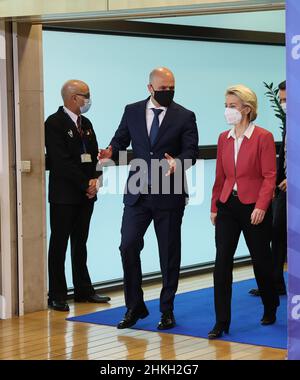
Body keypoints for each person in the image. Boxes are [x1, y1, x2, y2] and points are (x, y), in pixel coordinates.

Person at [98, 67, 199, 330]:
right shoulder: (132, 110)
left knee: (168, 254)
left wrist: (178, 163)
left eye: (172, 88)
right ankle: (135, 306)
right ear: (150, 88)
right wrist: (109, 153)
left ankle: (167, 310)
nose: (168, 92)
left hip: (169, 194)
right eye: (163, 88)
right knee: (127, 245)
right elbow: (119, 142)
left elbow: (191, 151)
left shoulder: (185, 116)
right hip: (138, 193)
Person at [209, 84, 280, 339]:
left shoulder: (263, 137)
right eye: (226, 106)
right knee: (222, 263)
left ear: (247, 109)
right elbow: (220, 176)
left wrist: (262, 206)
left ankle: (270, 305)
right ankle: (221, 321)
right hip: (228, 205)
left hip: (253, 206)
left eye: (233, 106)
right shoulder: (223, 138)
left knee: (261, 261)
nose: (228, 111)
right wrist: (215, 206)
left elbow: (269, 176)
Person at [45, 79, 111, 312]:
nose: (88, 99)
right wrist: (85, 183)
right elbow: (61, 162)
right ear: (73, 98)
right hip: (64, 195)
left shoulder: (87, 123)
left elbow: (94, 155)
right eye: (86, 95)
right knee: (59, 243)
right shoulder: (54, 123)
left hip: (86, 194)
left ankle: (83, 289)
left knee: (80, 242)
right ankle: (56, 294)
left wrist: (95, 180)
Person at [249, 80, 287, 297]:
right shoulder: (289, 121)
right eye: (280, 100)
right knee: (276, 232)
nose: (282, 104)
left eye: (286, 100)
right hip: (284, 189)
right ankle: (275, 283)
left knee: (279, 232)